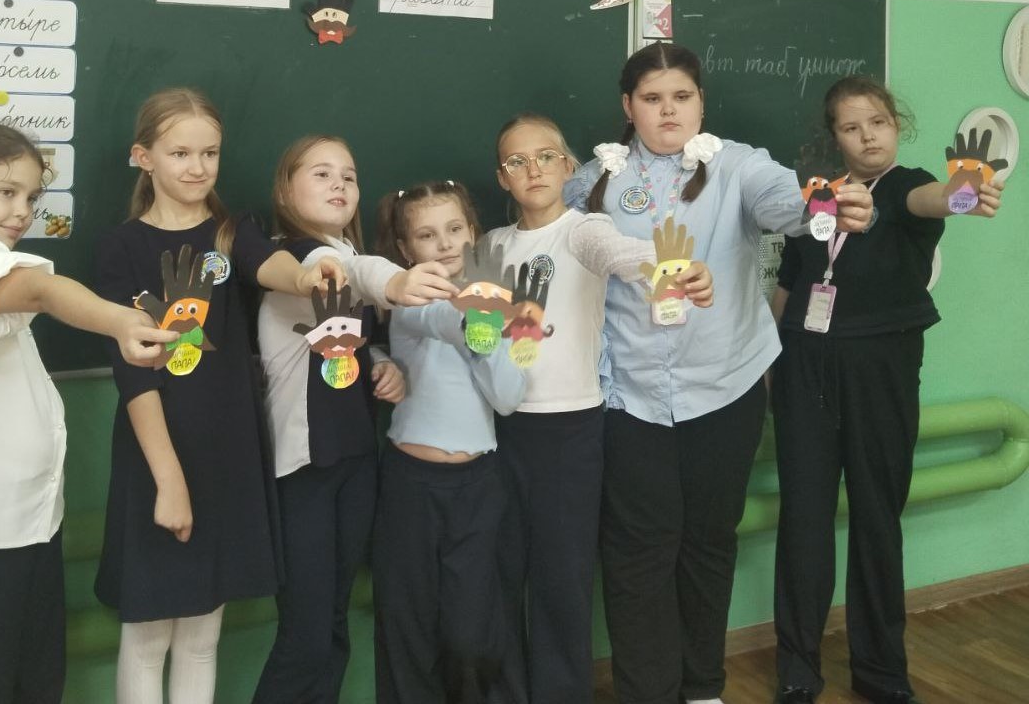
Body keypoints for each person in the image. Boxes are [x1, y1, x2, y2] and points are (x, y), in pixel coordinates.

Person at [564, 42, 872, 704]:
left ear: (701, 102)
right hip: (629, 396)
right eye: (652, 99)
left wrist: (827, 207)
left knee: (708, 544)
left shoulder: (738, 165)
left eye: (682, 96)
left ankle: (703, 687)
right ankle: (647, 692)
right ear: (628, 106)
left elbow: (786, 203)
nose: (668, 111)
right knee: (638, 553)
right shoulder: (592, 178)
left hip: (724, 390)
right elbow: (575, 247)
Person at [0, 123, 178, 704]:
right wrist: (120, 320)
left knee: (33, 683)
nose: (22, 211)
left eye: (31, 197)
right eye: (6, 192)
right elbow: (41, 291)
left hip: (25, 526)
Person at [94, 88, 343, 704]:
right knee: (148, 637)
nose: (197, 167)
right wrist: (168, 480)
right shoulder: (120, 247)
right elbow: (135, 377)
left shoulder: (233, 233)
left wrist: (305, 275)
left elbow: (270, 266)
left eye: (209, 153)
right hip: (157, 456)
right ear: (143, 157)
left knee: (203, 637)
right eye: (180, 153)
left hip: (226, 455)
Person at [770, 77, 1003, 704]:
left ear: (896, 125)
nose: (867, 136)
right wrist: (769, 361)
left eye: (877, 122)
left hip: (882, 370)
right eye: (851, 127)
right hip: (803, 368)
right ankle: (797, 670)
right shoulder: (817, 196)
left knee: (876, 517)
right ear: (835, 137)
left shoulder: (905, 186)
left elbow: (938, 200)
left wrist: (968, 191)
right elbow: (789, 284)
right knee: (804, 520)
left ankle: (880, 673)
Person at [488, 111, 711, 703]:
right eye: (516, 161)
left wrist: (669, 269)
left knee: (562, 582)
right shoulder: (490, 245)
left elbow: (622, 253)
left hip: (570, 433)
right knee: (501, 575)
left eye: (545, 156)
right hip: (500, 432)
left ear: (569, 167)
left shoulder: (583, 230)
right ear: (502, 177)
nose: (533, 169)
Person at [252, 135, 456, 704]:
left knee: (334, 624)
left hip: (354, 461)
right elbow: (348, 270)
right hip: (304, 470)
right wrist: (395, 281)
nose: (339, 184)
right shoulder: (295, 259)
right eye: (321, 174)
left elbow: (343, 339)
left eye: (348, 174)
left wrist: (381, 361)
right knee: (306, 635)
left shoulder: (340, 253)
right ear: (285, 190)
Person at [370, 180, 527, 704]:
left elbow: (508, 397)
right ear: (405, 249)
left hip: (479, 483)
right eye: (426, 235)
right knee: (408, 624)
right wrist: (480, 317)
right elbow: (440, 317)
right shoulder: (410, 302)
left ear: (472, 233)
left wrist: (487, 326)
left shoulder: (493, 304)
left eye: (455, 229)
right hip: (412, 485)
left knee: (472, 630)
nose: (443, 244)